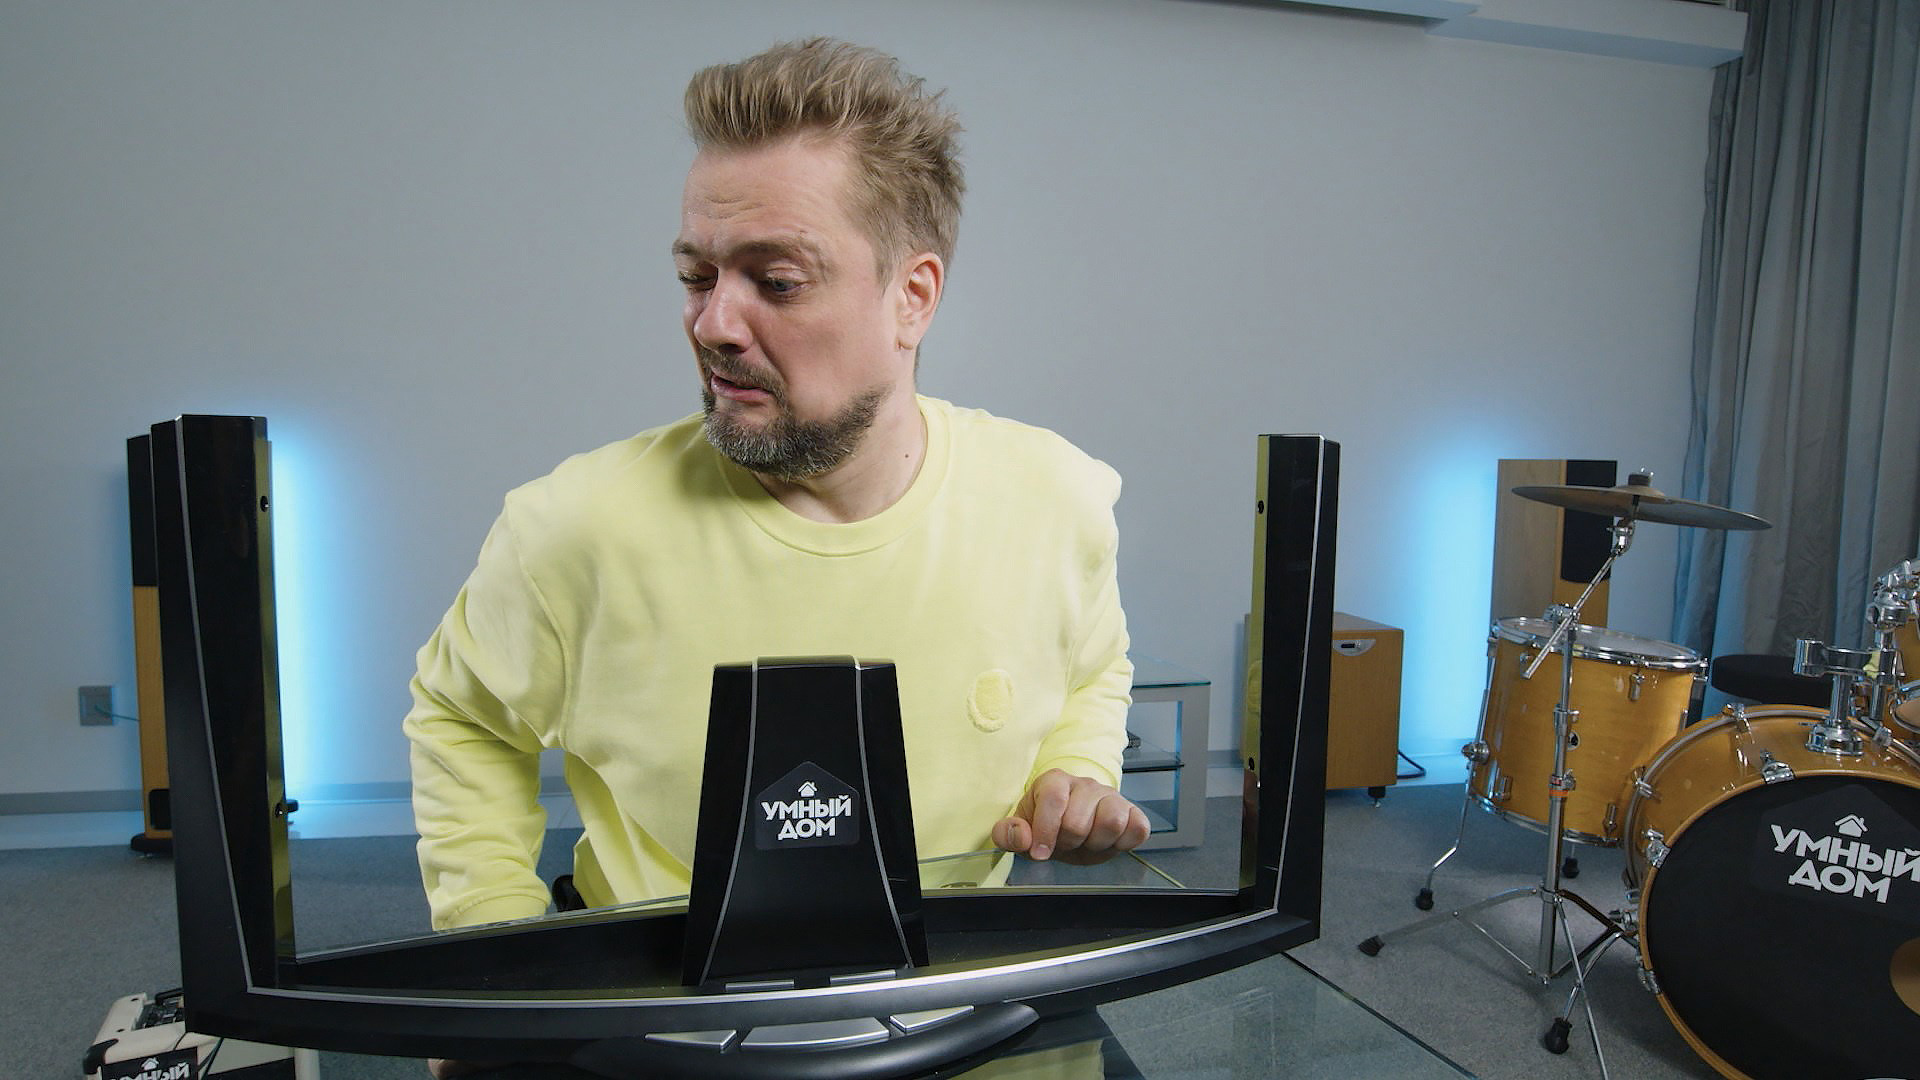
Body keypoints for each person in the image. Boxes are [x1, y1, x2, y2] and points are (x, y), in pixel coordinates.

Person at [405, 37, 1148, 942]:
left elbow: (1091, 668)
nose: (713, 323)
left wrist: (1076, 769)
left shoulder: (1055, 499)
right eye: (696, 276)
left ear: (912, 297)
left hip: (956, 992)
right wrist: (497, 944)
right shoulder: (572, 529)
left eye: (778, 281)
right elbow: (462, 717)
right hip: (659, 1005)